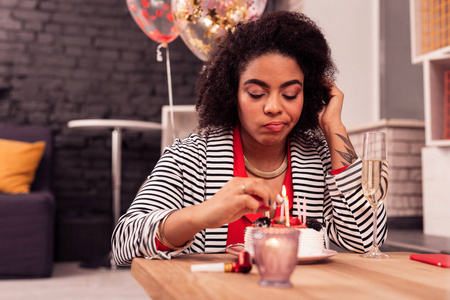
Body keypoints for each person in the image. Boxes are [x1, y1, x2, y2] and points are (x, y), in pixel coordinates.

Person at [112, 11, 387, 265]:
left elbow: (367, 240)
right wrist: (202, 214)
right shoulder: (190, 156)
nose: (274, 107)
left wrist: (333, 125)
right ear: (233, 94)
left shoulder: (320, 158)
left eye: (290, 94)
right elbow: (123, 243)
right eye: (257, 93)